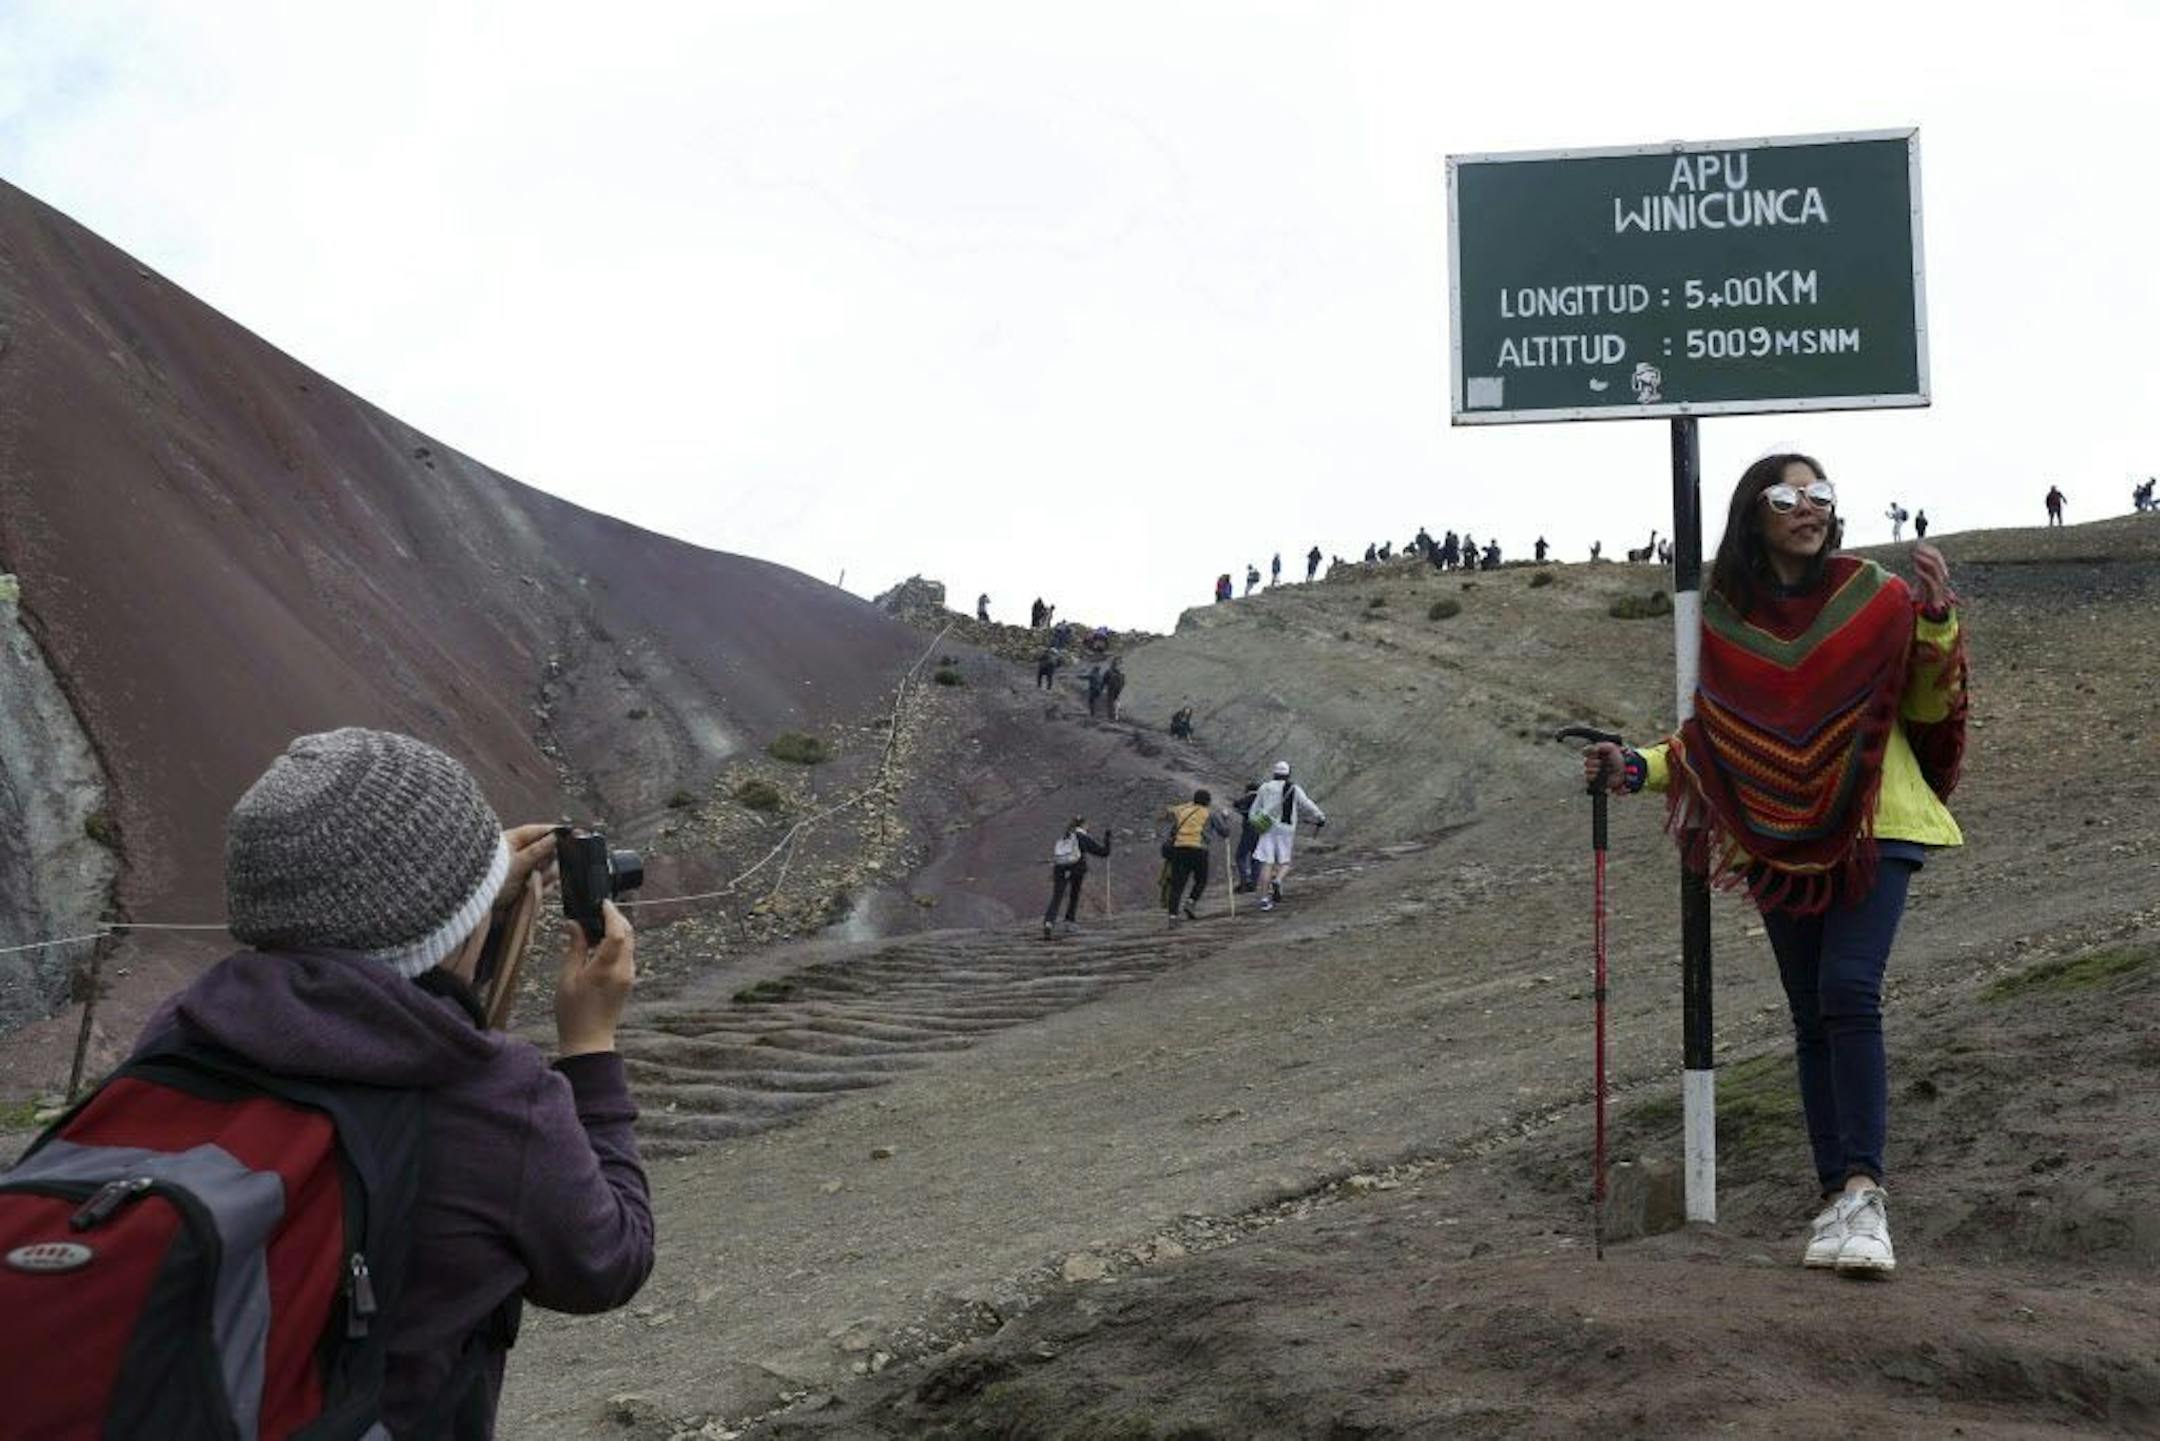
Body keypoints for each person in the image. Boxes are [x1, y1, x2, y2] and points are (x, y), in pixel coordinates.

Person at [75, 728, 655, 1433]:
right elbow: (607, 1261)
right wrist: (591, 1043)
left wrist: (457, 887)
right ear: (460, 921)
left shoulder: (186, 1028)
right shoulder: (489, 1092)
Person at [1580, 452, 1967, 1279]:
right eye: (1788, 495)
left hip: (1877, 820)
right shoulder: (1728, 621)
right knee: (1807, 1014)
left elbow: (1931, 707)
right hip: (1775, 839)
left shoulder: (1878, 597)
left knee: (1848, 990)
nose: (1809, 507)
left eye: (1820, 492)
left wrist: (1936, 621)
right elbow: (1714, 741)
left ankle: (1867, 1191)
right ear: (1753, 512)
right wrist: (1635, 767)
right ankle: (1835, 1199)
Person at [1249, 761, 1326, 911]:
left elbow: (1254, 810)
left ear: (1274, 773)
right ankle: (1277, 880)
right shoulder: (1294, 788)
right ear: (1288, 774)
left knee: (1267, 863)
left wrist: (1256, 822)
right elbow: (1306, 804)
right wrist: (1320, 816)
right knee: (1285, 862)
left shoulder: (1264, 787)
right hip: (1286, 829)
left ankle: (1265, 899)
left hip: (1267, 828)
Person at [1161, 788, 1230, 921]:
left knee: (1177, 885)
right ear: (1208, 802)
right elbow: (1224, 832)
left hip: (1179, 849)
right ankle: (1191, 902)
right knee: (1201, 880)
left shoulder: (1182, 812)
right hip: (1199, 850)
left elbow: (1173, 830)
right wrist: (1225, 819)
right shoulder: (1210, 814)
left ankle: (1173, 916)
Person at [1043, 816, 1111, 937]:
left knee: (1057, 897)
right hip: (1076, 869)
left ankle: (1049, 922)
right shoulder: (1083, 838)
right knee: (1074, 895)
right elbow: (1103, 852)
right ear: (1084, 825)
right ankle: (1069, 921)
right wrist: (1107, 838)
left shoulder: (1065, 837)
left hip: (1060, 869)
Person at [1231, 780, 1263, 892]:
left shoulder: (1249, 797)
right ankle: (1253, 884)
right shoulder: (1263, 798)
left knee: (1240, 856)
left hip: (1249, 829)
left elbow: (1236, 803)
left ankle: (1244, 882)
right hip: (1261, 829)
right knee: (1256, 857)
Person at [1103, 656, 1127, 720]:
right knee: (1115, 700)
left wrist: (1104, 687)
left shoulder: (1109, 671)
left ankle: (1112, 715)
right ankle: (1115, 715)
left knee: (1111, 701)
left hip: (1113, 688)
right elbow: (1123, 682)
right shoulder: (1121, 672)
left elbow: (1104, 680)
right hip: (1117, 688)